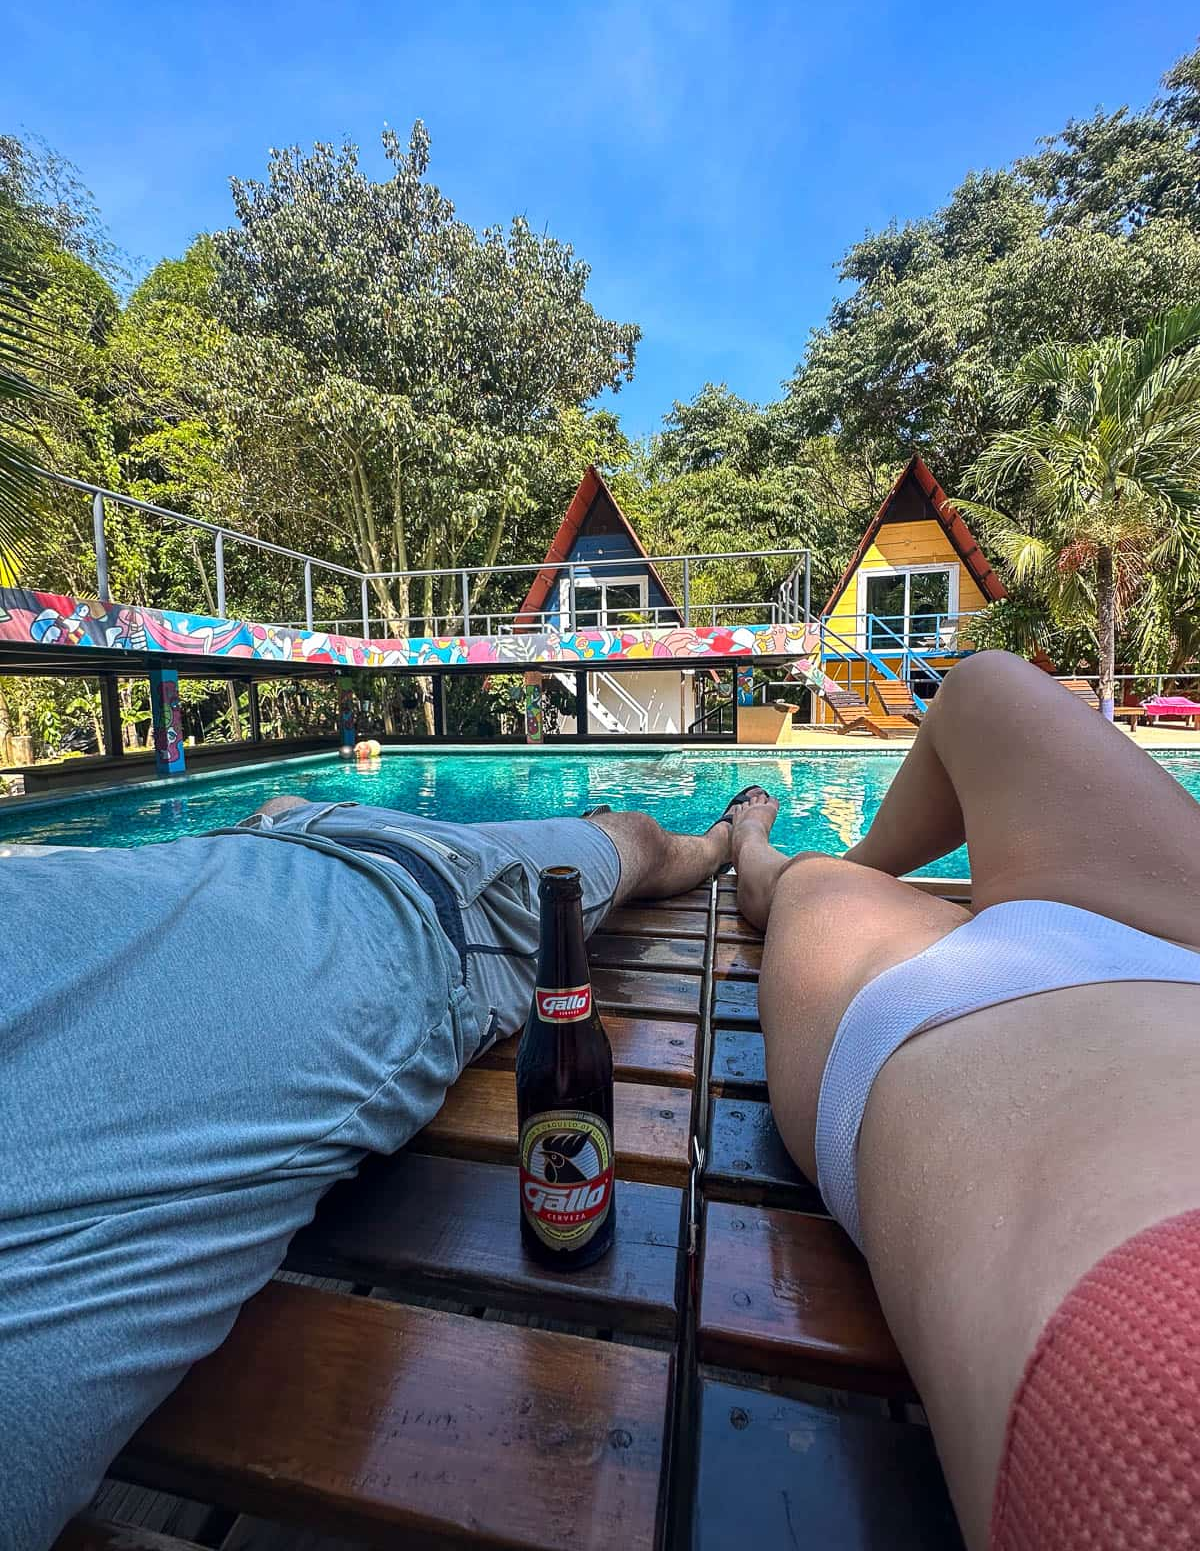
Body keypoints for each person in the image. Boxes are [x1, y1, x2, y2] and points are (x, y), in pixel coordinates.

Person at [0, 792, 738, 1551]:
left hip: (301, 841)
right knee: (632, 836)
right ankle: (718, 837)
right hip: (417, 884)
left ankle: (721, 846)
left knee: (626, 841)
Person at [729, 651, 1200, 1551]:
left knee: (803, 881)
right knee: (985, 691)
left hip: (971, 1020)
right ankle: (842, 872)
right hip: (1164, 949)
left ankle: (774, 855)